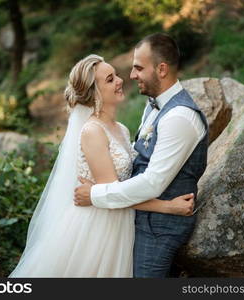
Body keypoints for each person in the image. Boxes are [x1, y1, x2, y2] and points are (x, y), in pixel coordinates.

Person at [9, 54, 195, 278]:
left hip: (120, 222)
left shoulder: (121, 129)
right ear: (94, 93)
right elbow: (112, 192)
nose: (119, 80)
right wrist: (168, 206)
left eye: (115, 74)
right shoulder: (93, 131)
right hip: (98, 228)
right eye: (109, 79)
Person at [74, 33, 209, 278]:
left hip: (159, 230)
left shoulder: (179, 117)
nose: (131, 76)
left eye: (138, 68)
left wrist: (94, 194)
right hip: (133, 220)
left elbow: (152, 182)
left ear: (162, 69)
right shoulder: (152, 105)